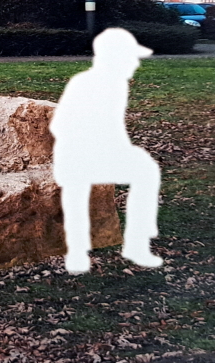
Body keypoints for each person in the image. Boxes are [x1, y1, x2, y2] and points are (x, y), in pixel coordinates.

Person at [50, 28, 164, 274]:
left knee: (146, 171)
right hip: (75, 157)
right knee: (77, 190)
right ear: (114, 58)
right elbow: (60, 125)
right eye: (130, 58)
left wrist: (123, 152)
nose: (135, 64)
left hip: (102, 155)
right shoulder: (84, 83)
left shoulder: (117, 85)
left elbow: (114, 130)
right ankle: (76, 251)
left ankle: (137, 244)